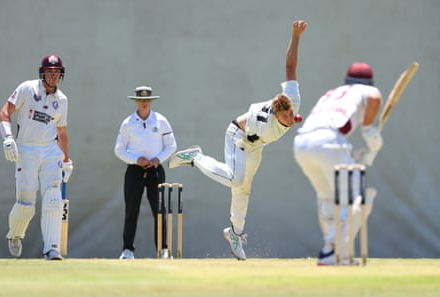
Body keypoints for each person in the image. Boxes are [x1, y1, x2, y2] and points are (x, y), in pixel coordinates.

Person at [167, 20, 307, 260]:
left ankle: (235, 233)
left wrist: (295, 36)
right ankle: (196, 157)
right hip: (238, 137)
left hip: (255, 145)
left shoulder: (291, 99)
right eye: (286, 116)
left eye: (291, 114)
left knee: (244, 190)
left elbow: (290, 65)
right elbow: (249, 132)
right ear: (275, 114)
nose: (291, 119)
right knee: (236, 179)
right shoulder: (262, 121)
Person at [293, 62, 383, 265]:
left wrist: (352, 153)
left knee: (327, 198)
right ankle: (334, 250)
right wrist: (369, 131)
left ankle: (334, 252)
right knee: (353, 197)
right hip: (329, 142)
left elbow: (340, 126)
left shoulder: (333, 92)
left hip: (302, 143)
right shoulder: (367, 89)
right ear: (369, 81)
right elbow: (375, 98)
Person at [0, 54, 73, 260]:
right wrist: (7, 138)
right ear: (42, 73)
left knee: (53, 197)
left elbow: (62, 132)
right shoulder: (27, 89)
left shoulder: (62, 100)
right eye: (49, 72)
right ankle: (15, 235)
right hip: (27, 149)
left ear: (61, 75)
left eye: (56, 72)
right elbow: (5, 113)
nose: (52, 76)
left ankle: (52, 248)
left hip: (50, 150)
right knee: (26, 203)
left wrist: (66, 160)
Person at [114, 86, 177, 259]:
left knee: (159, 210)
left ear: (151, 101)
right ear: (135, 100)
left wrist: (158, 159)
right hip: (134, 171)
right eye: (141, 100)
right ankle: (127, 250)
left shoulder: (160, 120)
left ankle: (164, 250)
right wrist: (136, 159)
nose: (144, 103)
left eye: (147, 100)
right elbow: (119, 150)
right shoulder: (128, 123)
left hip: (155, 171)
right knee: (131, 210)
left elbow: (171, 145)